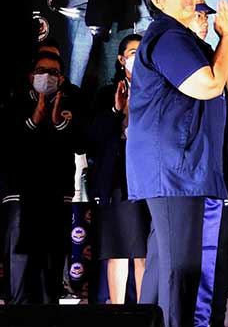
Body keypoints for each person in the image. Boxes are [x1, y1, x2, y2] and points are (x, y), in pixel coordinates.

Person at [127, 0, 228, 327]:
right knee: (182, 267)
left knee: (166, 264)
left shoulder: (190, 43)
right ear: (157, 1)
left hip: (185, 169)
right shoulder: (167, 36)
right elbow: (209, 85)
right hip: (174, 169)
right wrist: (224, 38)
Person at [0, 51, 82, 304]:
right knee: (19, 271)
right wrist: (33, 120)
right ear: (31, 75)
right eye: (41, 71)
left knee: (49, 275)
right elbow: (1, 148)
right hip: (19, 195)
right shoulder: (13, 102)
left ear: (61, 79)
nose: (47, 77)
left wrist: (59, 123)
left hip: (55, 196)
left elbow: (83, 143)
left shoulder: (70, 104)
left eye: (53, 72)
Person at [86, 34, 150, 304]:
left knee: (146, 253)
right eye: (133, 52)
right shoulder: (105, 93)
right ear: (122, 59)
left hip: (149, 177)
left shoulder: (157, 90)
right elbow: (92, 137)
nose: (138, 57)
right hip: (117, 178)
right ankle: (118, 311)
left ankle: (146, 311)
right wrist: (116, 109)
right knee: (119, 249)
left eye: (143, 52)